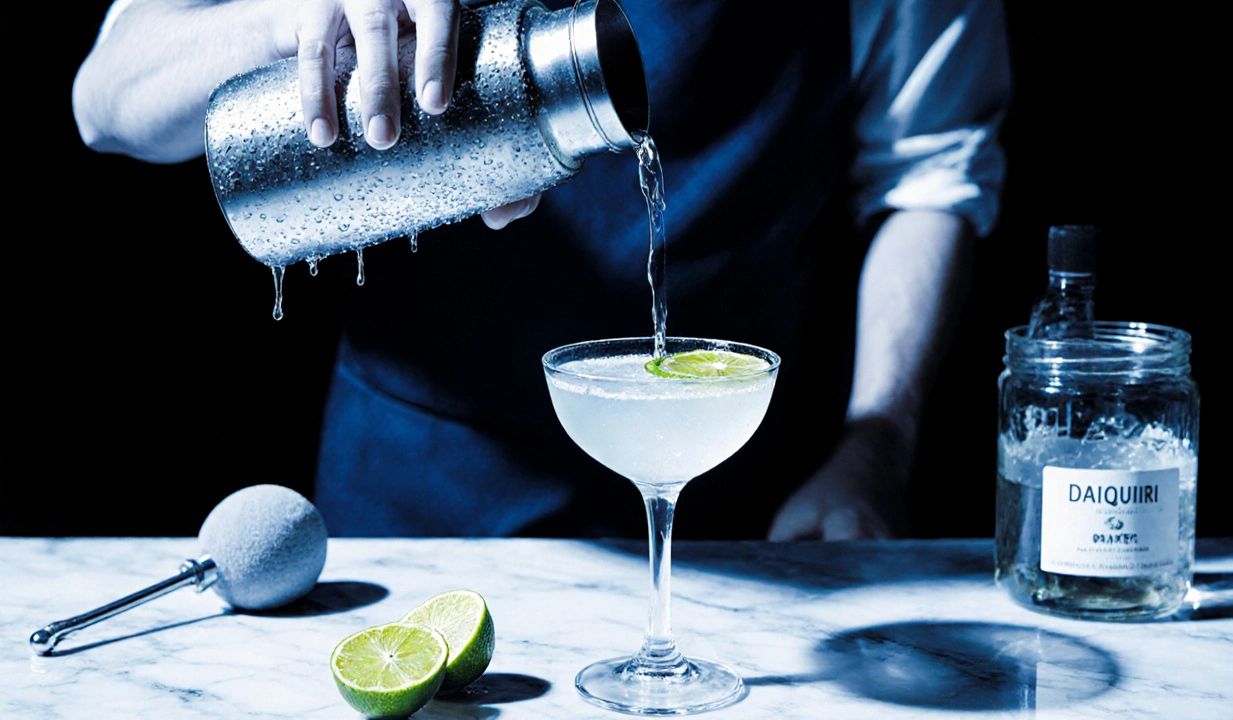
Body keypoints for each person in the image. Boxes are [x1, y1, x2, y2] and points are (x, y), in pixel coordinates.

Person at [73, 0, 1010, 540]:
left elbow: (929, 172)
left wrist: (875, 444)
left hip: (735, 512)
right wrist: (289, 16)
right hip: (410, 500)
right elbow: (104, 99)